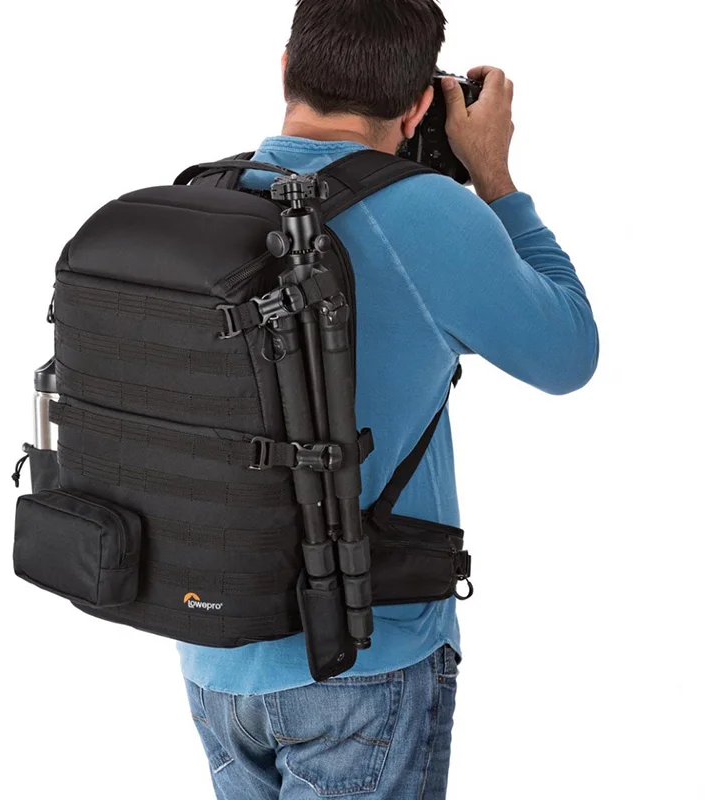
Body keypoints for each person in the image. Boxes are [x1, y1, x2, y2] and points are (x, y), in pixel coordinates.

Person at [178, 1, 599, 797]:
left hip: (214, 646)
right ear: (419, 105)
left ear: (285, 70)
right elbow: (569, 352)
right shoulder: (427, 212)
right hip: (365, 656)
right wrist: (495, 177)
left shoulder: (209, 198)